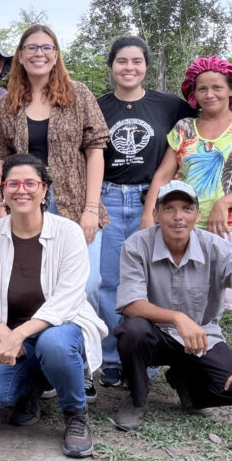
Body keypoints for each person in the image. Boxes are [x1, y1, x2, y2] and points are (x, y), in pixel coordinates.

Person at [0, 153, 106, 457]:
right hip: (10, 332)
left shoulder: (68, 233)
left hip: (62, 328)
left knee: (54, 344)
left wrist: (19, 334)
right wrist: (1, 329)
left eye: (30, 183)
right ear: (2, 190)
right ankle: (32, 387)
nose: (21, 190)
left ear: (44, 189)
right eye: (13, 184)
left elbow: (67, 299)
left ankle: (76, 415)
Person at [0, 24, 108, 398]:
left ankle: (81, 365)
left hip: (73, 204)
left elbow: (95, 150)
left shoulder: (79, 95)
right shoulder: (9, 104)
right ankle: (38, 365)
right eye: (30, 47)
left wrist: (91, 208)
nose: (39, 53)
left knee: (85, 286)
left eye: (47, 47)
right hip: (23, 206)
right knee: (34, 287)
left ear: (57, 54)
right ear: (20, 56)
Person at [110, 181, 232, 431]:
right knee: (132, 331)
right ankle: (137, 398)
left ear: (198, 215)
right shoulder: (136, 245)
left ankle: (186, 385)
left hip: (200, 338)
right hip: (153, 334)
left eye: (187, 209)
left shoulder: (217, 247)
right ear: (156, 214)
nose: (178, 217)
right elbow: (130, 304)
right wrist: (177, 317)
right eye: (169, 209)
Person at [95, 37, 195, 387]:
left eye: (137, 61)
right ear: (112, 66)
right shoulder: (97, 106)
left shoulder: (168, 105)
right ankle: (111, 358)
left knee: (152, 282)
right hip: (107, 198)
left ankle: (146, 358)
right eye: (122, 61)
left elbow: (215, 113)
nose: (129, 68)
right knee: (106, 282)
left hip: (150, 201)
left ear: (146, 66)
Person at [142, 57, 232, 310]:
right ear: (193, 92)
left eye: (217, 87)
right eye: (202, 88)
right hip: (180, 225)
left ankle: (210, 346)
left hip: (228, 226)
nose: (209, 94)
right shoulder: (184, 128)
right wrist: (149, 214)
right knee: (178, 296)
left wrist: (225, 202)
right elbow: (163, 175)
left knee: (217, 300)